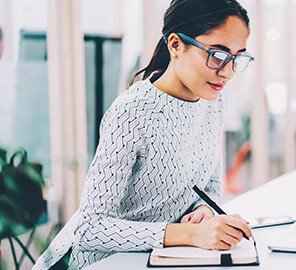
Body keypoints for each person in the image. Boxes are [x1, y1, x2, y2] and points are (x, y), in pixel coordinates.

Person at [33, 0, 255, 269]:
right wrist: (187, 234)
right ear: (175, 45)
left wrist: (203, 211)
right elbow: (89, 228)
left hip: (163, 259)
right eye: (217, 55)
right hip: (106, 263)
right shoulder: (133, 111)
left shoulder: (212, 102)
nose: (227, 72)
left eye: (237, 58)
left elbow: (211, 186)